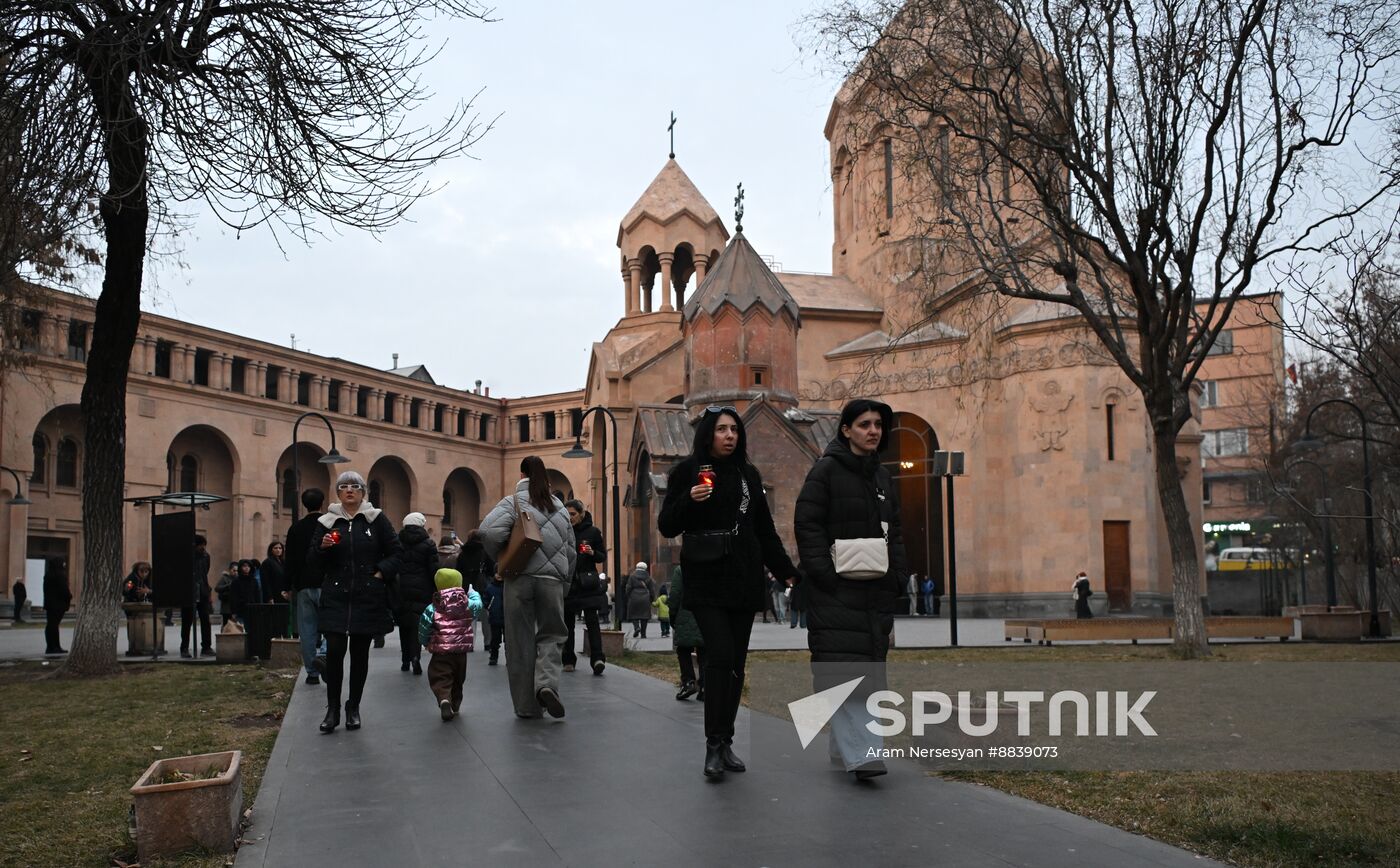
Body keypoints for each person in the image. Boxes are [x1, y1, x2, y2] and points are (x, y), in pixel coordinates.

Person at [657, 405, 800, 779]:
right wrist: (689, 499)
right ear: (707, 435)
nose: (730, 436)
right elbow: (667, 525)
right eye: (721, 429)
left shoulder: (748, 475)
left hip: (743, 579)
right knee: (719, 654)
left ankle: (726, 742)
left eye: (734, 429)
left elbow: (765, 531)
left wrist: (788, 574)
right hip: (705, 580)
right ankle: (712, 745)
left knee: (735, 663)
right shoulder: (687, 472)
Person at [795, 398, 909, 781]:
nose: (873, 430)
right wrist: (825, 576)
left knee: (868, 671)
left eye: (878, 424)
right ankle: (864, 755)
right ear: (846, 430)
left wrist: (897, 581)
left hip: (874, 591)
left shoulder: (882, 478)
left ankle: (843, 748)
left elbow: (895, 534)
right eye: (864, 424)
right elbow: (807, 525)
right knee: (846, 669)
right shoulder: (825, 471)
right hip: (837, 591)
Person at [479, 455, 576, 720]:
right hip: (552, 581)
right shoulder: (560, 507)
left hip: (519, 578)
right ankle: (546, 684)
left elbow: (487, 532)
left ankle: (526, 707)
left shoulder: (513, 502)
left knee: (519, 640)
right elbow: (570, 551)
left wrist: (502, 555)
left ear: (522, 473)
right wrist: (564, 584)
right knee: (553, 635)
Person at [307, 470, 403, 733]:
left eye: (355, 486)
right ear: (338, 493)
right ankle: (333, 709)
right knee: (335, 653)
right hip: (336, 596)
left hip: (367, 596)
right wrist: (322, 549)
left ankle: (353, 707)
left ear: (363, 492)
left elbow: (396, 552)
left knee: (360, 656)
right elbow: (313, 561)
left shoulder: (376, 519)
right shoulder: (326, 522)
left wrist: (380, 572)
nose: (349, 490)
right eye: (344, 486)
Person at [417, 568, 483, 720]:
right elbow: (478, 606)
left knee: (440, 676)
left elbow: (424, 627)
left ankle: (444, 698)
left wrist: (424, 642)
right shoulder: (467, 604)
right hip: (461, 652)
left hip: (441, 652)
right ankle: (455, 705)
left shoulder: (433, 607)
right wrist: (473, 593)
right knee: (458, 679)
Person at [387, 512, 440, 675]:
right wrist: (437, 588)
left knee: (404, 625)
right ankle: (416, 656)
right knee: (418, 624)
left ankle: (405, 660)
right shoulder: (428, 544)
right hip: (422, 589)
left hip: (401, 588)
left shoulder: (397, 543)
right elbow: (434, 569)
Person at [284, 488, 328, 684]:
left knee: (307, 629)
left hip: (303, 585)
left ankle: (312, 672)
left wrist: (286, 585)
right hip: (327, 584)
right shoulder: (330, 525)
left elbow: (290, 560)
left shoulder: (295, 529)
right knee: (331, 625)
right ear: (322, 503)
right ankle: (325, 654)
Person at [561, 499, 608, 675]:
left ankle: (597, 658)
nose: (570, 517)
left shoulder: (593, 532)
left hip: (587, 584)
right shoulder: (564, 532)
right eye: (567, 514)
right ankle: (568, 659)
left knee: (592, 621)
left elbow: (602, 556)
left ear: (581, 513)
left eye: (573, 514)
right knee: (568, 623)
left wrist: (592, 552)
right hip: (569, 583)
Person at [669, 564, 705, 701]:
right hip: (707, 617)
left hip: (686, 616)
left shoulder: (681, 570)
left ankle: (688, 682)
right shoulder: (711, 567)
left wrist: (673, 616)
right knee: (704, 652)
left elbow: (675, 595)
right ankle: (705, 686)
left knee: (683, 650)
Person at [180, 535, 214, 658]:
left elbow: (205, 572)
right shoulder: (187, 557)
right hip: (189, 592)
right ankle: (184, 648)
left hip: (203, 591)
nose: (203, 547)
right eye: (201, 545)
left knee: (205, 620)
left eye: (204, 545)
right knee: (187, 621)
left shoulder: (206, 557)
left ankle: (206, 647)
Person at [42, 560, 71, 655]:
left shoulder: (48, 575)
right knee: (54, 626)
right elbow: (64, 590)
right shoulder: (60, 575)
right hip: (58, 605)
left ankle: (50, 646)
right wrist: (69, 596)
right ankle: (55, 647)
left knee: (51, 625)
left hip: (50, 605)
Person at [480, 572, 505, 665]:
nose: (499, 575)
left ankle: (508, 658)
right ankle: (493, 657)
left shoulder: (507, 586)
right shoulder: (490, 588)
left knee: (508, 641)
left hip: (505, 617)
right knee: (495, 640)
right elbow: (485, 600)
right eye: (497, 573)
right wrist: (488, 607)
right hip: (495, 617)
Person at [625, 561, 655, 638]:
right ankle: (643, 634)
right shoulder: (648, 577)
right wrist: (651, 599)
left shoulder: (632, 576)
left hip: (634, 597)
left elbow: (628, 588)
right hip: (645, 597)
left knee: (633, 615)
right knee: (644, 617)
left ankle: (637, 627)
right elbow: (652, 590)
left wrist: (628, 596)